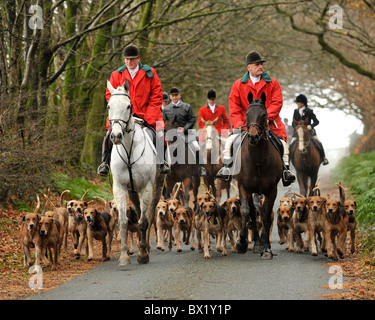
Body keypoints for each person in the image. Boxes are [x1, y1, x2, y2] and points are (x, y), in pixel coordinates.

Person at [216, 51, 295, 186]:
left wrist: (265, 118)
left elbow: (277, 103)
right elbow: (234, 106)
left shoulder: (273, 83)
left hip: (270, 123)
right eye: (257, 65)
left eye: (261, 65)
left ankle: (286, 170)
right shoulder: (238, 85)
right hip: (244, 124)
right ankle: (226, 168)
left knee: (283, 144)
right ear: (249, 68)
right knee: (229, 142)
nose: (260, 67)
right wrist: (240, 123)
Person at [97, 43, 170, 176]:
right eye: (127, 59)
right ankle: (105, 163)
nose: (129, 62)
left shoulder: (150, 73)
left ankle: (162, 161)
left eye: (132, 59)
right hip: (123, 116)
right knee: (109, 135)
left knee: (160, 134)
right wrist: (119, 111)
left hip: (147, 114)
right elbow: (110, 95)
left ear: (138, 59)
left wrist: (149, 116)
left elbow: (157, 95)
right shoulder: (116, 74)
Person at [162, 87, 207, 176]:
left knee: (196, 146)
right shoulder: (166, 109)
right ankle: (164, 165)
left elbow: (192, 119)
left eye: (176, 95)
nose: (175, 97)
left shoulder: (187, 107)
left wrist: (184, 128)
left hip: (186, 134)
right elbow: (164, 121)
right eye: (173, 96)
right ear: (170, 97)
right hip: (172, 136)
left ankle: (201, 167)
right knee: (163, 147)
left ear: (179, 95)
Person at [292, 94, 329, 165]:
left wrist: (310, 126)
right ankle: (291, 161)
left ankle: (323, 158)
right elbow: (293, 123)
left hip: (309, 132)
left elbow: (316, 122)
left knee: (319, 142)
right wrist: (296, 128)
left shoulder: (309, 111)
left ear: (302, 103)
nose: (296, 104)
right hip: (298, 133)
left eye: (297, 102)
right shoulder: (295, 111)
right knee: (291, 145)